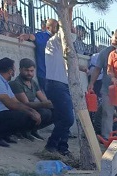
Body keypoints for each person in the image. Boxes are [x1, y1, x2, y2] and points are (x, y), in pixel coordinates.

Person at [0, 58, 42, 147]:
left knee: (26, 115)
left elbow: (16, 101)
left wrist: (32, 111)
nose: (14, 71)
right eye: (14, 69)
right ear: (10, 71)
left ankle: (4, 135)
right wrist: (30, 112)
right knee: (21, 115)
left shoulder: (4, 83)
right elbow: (10, 104)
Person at [43, 21, 74, 155]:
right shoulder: (53, 42)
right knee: (68, 118)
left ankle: (62, 147)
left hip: (64, 85)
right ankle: (51, 144)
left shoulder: (65, 48)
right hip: (56, 84)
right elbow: (66, 33)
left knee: (63, 118)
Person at [10, 58, 53, 140]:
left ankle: (33, 130)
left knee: (57, 112)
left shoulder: (33, 83)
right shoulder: (16, 83)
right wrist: (43, 104)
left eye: (31, 71)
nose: (29, 73)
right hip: (21, 110)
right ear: (20, 70)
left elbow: (43, 99)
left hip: (32, 108)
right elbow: (26, 104)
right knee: (45, 112)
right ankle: (23, 131)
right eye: (26, 70)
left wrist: (52, 104)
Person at [88, 35, 116, 139]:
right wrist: (91, 83)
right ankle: (107, 138)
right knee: (107, 114)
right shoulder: (105, 53)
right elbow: (97, 69)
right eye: (113, 43)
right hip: (107, 90)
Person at [18, 19, 57, 91]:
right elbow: (31, 36)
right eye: (55, 27)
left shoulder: (59, 40)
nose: (57, 29)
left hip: (56, 76)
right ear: (48, 28)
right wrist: (25, 36)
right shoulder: (42, 36)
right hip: (45, 75)